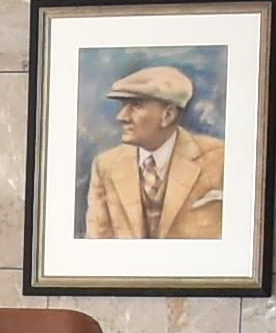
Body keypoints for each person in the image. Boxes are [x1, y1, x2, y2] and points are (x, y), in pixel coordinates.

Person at [83, 66, 227, 243]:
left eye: (136, 105)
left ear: (168, 115)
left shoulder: (220, 159)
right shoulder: (106, 165)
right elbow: (96, 242)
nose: (122, 116)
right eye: (123, 105)